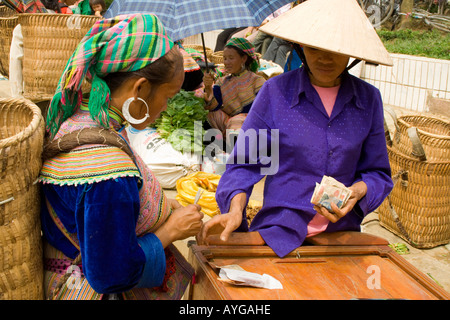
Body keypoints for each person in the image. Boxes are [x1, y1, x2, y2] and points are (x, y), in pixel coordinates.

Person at [198, 0, 394, 258]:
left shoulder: (368, 99)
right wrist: (235, 209)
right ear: (300, 48)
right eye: (314, 47)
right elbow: (245, 164)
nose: (325, 57)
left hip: (339, 234)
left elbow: (377, 173)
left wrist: (357, 191)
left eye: (336, 49)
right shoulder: (276, 92)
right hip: (278, 230)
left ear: (351, 53)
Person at [38, 13, 204, 300]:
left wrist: (167, 205)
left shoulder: (82, 119)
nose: (165, 107)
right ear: (140, 88)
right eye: (168, 96)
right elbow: (111, 274)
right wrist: (171, 230)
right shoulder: (109, 174)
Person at [202, 37, 265, 147]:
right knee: (209, 115)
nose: (227, 62)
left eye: (231, 58)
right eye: (225, 58)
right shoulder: (222, 82)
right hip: (231, 123)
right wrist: (208, 88)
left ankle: (235, 153)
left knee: (237, 122)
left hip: (252, 125)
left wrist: (239, 118)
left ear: (243, 58)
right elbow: (213, 106)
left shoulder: (256, 80)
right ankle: (222, 146)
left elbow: (263, 110)